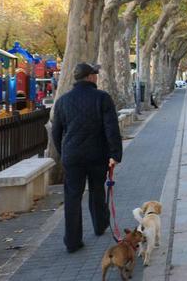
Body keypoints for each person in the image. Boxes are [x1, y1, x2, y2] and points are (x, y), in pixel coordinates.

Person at [51, 63, 122, 253]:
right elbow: (111, 129)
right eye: (95, 74)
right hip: (97, 155)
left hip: (72, 156)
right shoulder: (102, 98)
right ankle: (100, 225)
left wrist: (63, 152)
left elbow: (56, 132)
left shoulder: (63, 101)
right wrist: (115, 154)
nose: (97, 77)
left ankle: (72, 241)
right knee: (97, 190)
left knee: (72, 197)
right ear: (90, 77)